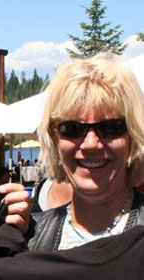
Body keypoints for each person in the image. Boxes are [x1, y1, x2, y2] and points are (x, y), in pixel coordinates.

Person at [25, 52, 144, 251]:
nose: (90, 144)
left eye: (110, 128)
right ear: (55, 138)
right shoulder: (28, 241)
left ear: (133, 137)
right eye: (73, 129)